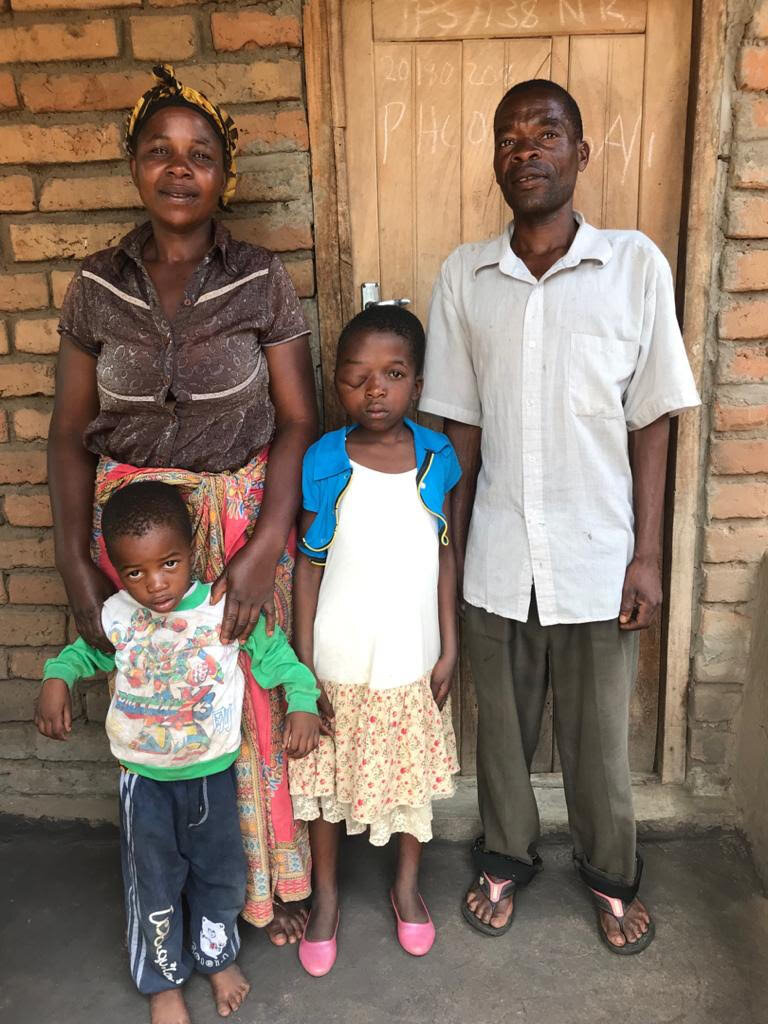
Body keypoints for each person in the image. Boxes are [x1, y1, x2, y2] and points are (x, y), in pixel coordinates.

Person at [420, 79, 700, 953]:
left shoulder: (634, 266)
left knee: (597, 744)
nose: (527, 149)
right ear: (496, 162)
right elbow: (456, 426)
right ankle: (505, 858)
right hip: (499, 552)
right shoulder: (465, 276)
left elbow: (652, 417)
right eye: (509, 137)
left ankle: (611, 875)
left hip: (597, 556)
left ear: (583, 154)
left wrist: (648, 556)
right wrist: (452, 557)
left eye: (547, 133)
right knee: (499, 734)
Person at [47, 65, 318, 944]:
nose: (179, 168)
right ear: (133, 164)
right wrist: (79, 576)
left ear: (222, 176)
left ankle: (262, 893)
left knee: (247, 703)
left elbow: (299, 417)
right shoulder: (96, 285)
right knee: (165, 707)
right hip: (138, 544)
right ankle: (173, 891)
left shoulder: (260, 278)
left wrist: (267, 540)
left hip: (240, 531)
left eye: (200, 155)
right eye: (159, 151)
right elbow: (65, 435)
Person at [35, 482, 320, 1024]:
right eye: (135, 572)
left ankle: (217, 958)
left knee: (222, 875)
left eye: (169, 563)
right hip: (144, 783)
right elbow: (80, 654)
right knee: (154, 880)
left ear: (192, 549)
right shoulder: (118, 615)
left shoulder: (221, 606)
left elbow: (276, 655)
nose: (156, 584)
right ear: (117, 571)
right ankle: (163, 981)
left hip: (213, 776)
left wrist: (302, 702)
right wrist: (57, 679)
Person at [288, 305, 461, 976]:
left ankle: (405, 887)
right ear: (338, 385)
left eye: (392, 375)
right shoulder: (325, 458)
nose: (375, 391)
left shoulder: (437, 456)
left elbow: (446, 556)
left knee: (407, 780)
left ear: (417, 382)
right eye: (357, 377)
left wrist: (449, 647)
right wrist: (303, 666)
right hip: (339, 652)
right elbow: (309, 561)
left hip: (410, 656)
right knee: (330, 782)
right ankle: (327, 896)